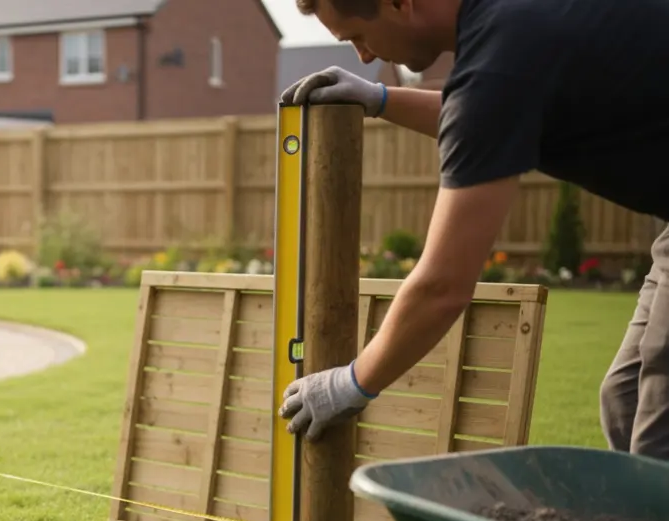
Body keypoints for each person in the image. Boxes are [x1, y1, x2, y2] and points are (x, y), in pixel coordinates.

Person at [275, 0, 669, 460]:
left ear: (399, 3)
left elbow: (442, 286)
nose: (364, 56)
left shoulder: (501, 55)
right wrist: (381, 100)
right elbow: (485, 112)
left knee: (660, 431)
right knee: (626, 400)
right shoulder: (510, 29)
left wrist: (352, 383)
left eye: (358, 36)